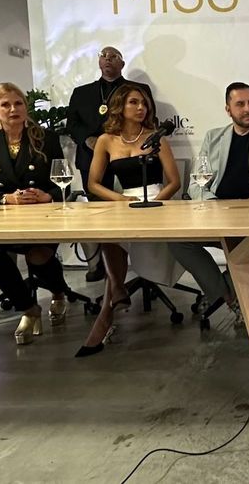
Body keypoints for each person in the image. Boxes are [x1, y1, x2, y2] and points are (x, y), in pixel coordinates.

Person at [167, 82, 249, 319]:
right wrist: (213, 204)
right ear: (228, 110)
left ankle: (229, 298)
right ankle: (228, 296)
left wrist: (248, 205)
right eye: (240, 104)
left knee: (242, 246)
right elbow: (196, 183)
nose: (248, 109)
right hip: (216, 215)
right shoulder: (214, 137)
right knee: (175, 239)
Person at [76, 84, 180, 357]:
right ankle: (118, 290)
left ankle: (109, 309)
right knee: (108, 232)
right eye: (134, 102)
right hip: (124, 202)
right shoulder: (106, 140)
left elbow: (174, 182)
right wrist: (121, 202)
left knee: (115, 235)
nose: (141, 107)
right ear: (120, 107)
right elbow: (94, 184)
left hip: (158, 202)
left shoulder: (156, 138)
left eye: (144, 103)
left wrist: (157, 203)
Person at [0, 83, 72, 345]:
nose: (13, 109)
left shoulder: (45, 139)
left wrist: (49, 195)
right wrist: (4, 198)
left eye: (18, 103)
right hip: (2, 216)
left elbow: (63, 181)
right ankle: (28, 307)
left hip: (42, 215)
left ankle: (59, 292)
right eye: (5, 105)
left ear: (26, 107)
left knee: (37, 254)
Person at [66, 46, 155, 282]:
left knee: (137, 209)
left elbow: (150, 122)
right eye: (104, 56)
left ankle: (143, 264)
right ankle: (104, 266)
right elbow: (72, 125)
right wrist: (89, 140)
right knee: (101, 216)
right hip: (91, 158)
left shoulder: (138, 91)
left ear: (122, 64)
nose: (108, 60)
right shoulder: (81, 93)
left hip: (131, 159)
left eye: (114, 56)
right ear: (98, 62)